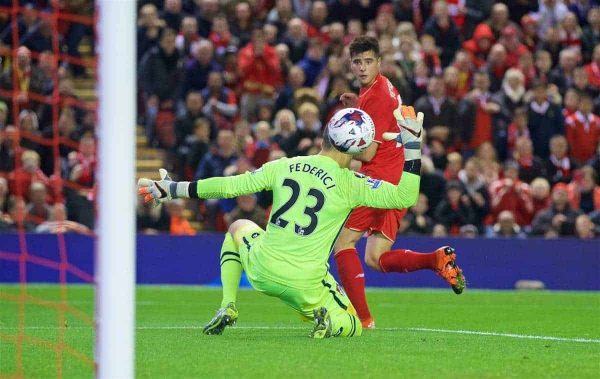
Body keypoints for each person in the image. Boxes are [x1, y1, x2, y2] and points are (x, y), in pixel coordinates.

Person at [138, 105, 464, 338]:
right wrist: (412, 145)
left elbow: (229, 185)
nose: (376, 146)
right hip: (305, 282)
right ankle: (329, 319)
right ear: (358, 146)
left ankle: (228, 304)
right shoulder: (351, 183)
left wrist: (174, 189)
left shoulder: (286, 164)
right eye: (371, 141)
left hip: (263, 269)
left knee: (238, 228)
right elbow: (405, 197)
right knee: (351, 325)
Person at [334, 36, 464, 329]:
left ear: (379, 62)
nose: (363, 67)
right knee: (375, 257)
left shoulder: (377, 95)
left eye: (369, 61)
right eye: (357, 62)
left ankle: (363, 320)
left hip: (380, 179)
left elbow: (368, 152)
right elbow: (380, 126)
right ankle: (436, 260)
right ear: (351, 64)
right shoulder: (376, 89)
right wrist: (358, 107)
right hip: (398, 175)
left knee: (343, 243)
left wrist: (339, 139)